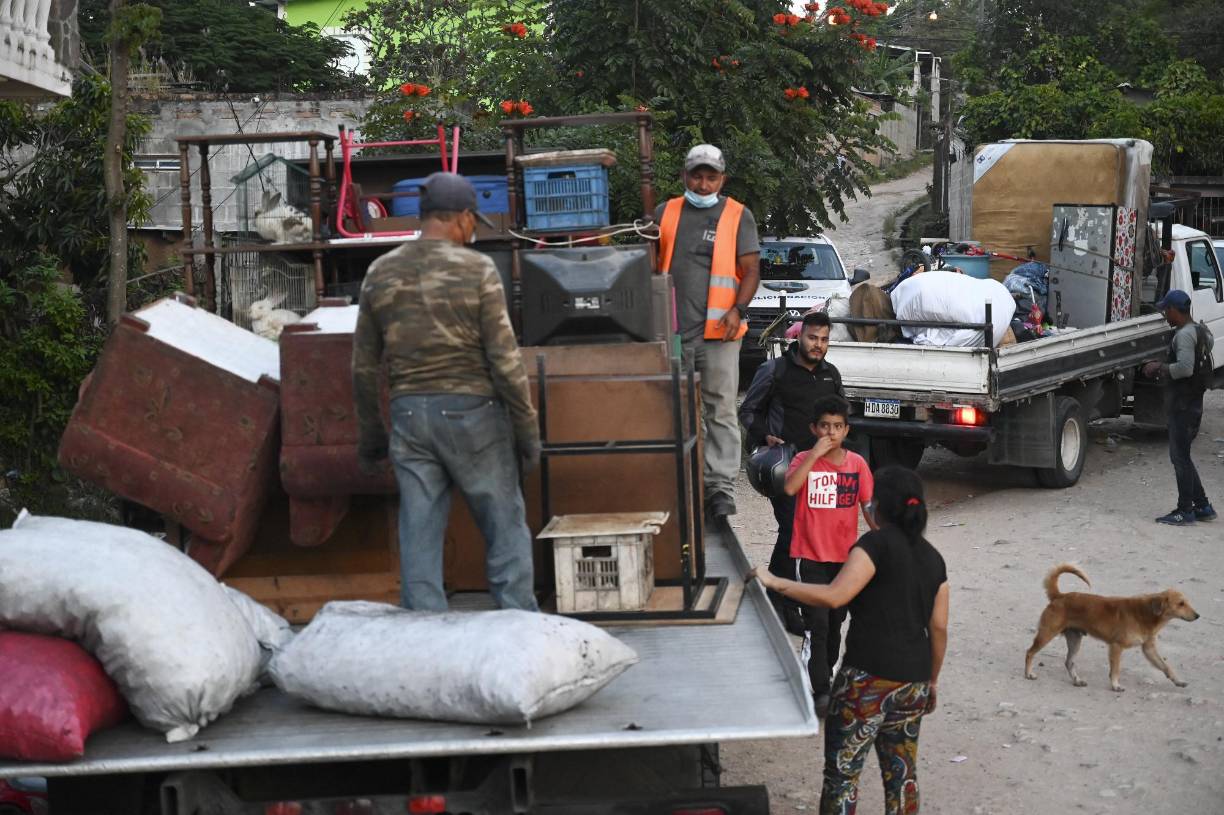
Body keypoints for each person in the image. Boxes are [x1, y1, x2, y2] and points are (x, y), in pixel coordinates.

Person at [352, 172, 540, 612]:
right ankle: (521, 630)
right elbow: (505, 359)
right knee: (504, 526)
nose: (473, 231)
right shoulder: (477, 269)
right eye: (473, 222)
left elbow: (363, 365)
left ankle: (424, 643)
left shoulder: (381, 271)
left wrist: (373, 437)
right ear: (461, 218)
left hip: (409, 418)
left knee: (418, 531)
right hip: (473, 414)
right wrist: (526, 431)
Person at [752, 465, 949, 815]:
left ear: (880, 506)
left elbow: (833, 596)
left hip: (866, 680)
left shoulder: (873, 545)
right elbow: (938, 628)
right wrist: (931, 680)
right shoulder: (934, 559)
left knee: (843, 776)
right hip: (914, 681)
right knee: (902, 776)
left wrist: (776, 583)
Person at [655, 144, 761, 518]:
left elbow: (751, 270)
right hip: (673, 332)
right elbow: (649, 267)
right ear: (685, 176)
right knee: (676, 411)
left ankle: (719, 489)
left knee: (719, 410)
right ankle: (682, 481)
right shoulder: (665, 213)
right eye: (696, 176)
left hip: (720, 332)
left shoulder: (737, 216)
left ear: (722, 179)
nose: (703, 184)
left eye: (710, 177)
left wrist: (738, 309)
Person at [739, 310, 844, 632]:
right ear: (799, 336)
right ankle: (782, 601)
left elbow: (839, 417)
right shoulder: (775, 370)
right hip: (784, 468)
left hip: (822, 469)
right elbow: (748, 411)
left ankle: (779, 593)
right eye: (813, 337)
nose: (818, 345)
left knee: (809, 536)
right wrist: (765, 436)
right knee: (793, 531)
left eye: (824, 339)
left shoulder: (831, 374)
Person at [782, 394, 876, 714]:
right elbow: (790, 488)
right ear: (814, 428)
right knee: (818, 624)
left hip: (844, 560)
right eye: (825, 427)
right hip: (809, 558)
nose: (831, 433)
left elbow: (869, 506)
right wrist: (813, 456)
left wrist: (888, 538)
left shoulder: (857, 464)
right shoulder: (801, 461)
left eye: (837, 427)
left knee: (836, 622)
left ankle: (826, 671)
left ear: (847, 430)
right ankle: (820, 689)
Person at [1141, 289, 1216, 525]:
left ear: (1175, 310)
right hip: (1194, 402)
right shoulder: (1201, 330)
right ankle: (1202, 505)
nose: (1165, 314)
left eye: (1166, 310)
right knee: (1183, 456)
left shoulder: (1183, 335)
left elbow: (1185, 368)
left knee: (1180, 458)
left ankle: (1185, 510)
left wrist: (1159, 368)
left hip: (1183, 405)